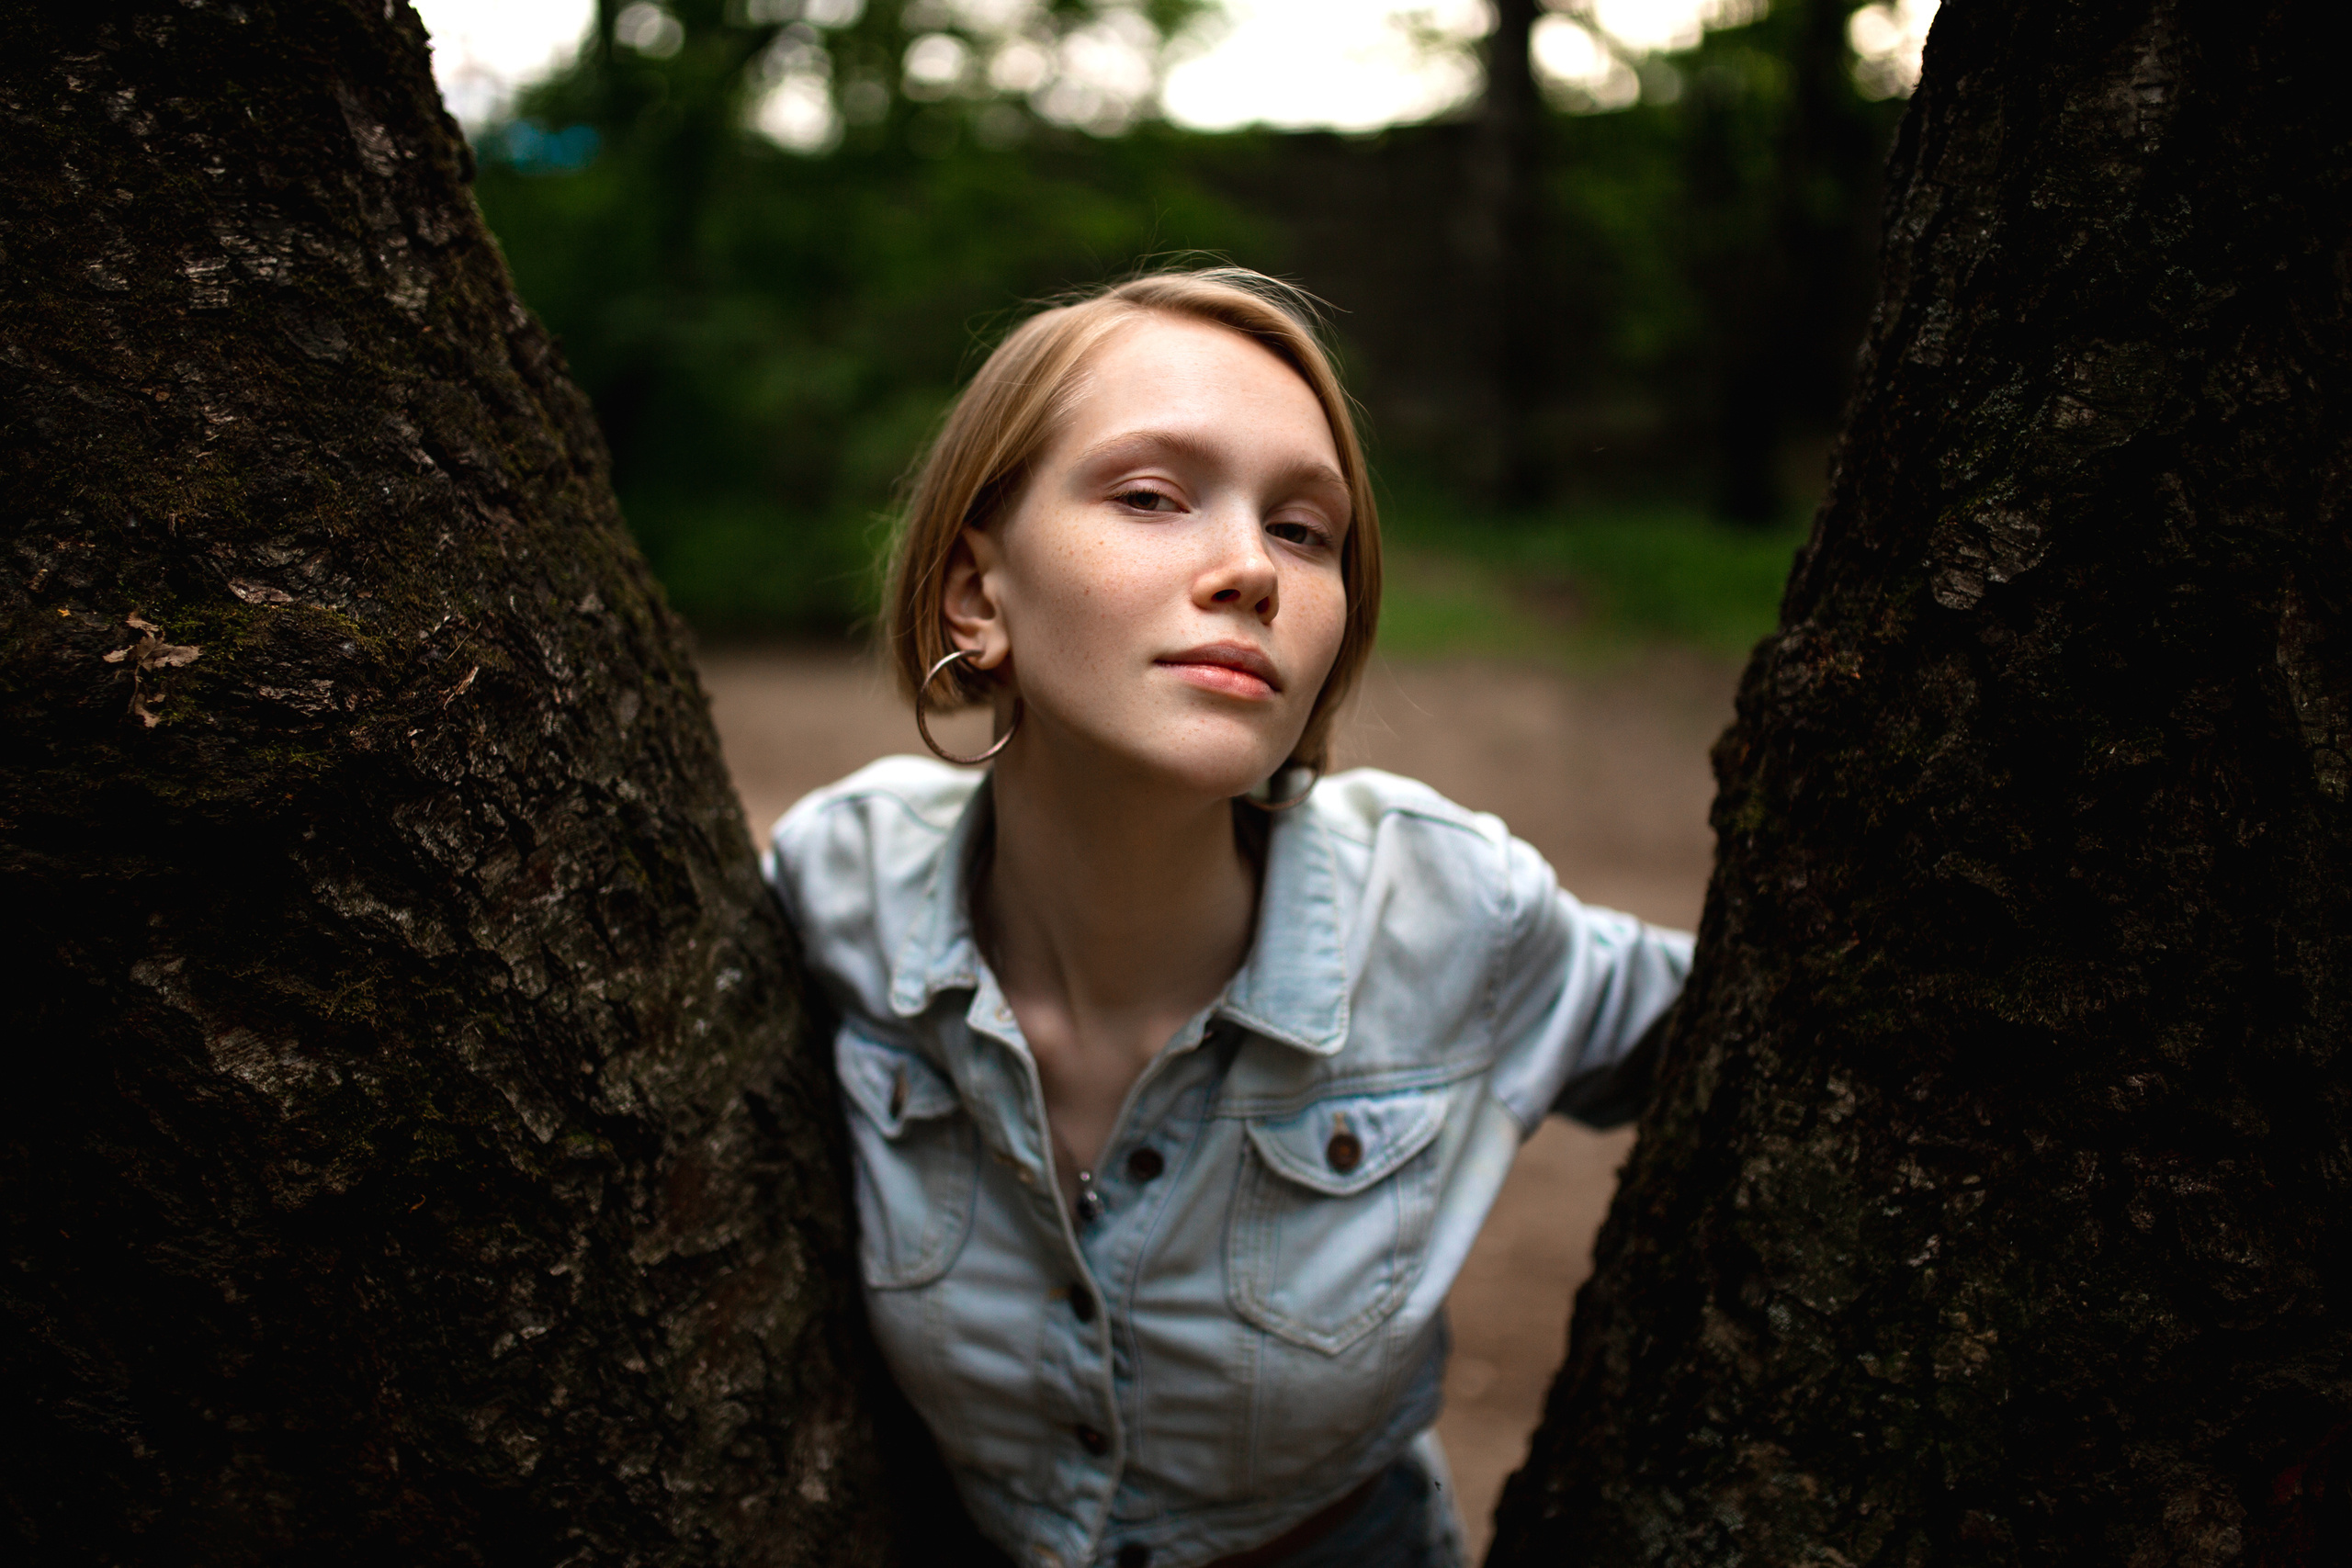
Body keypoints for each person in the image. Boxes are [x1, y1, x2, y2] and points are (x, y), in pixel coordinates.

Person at [763, 267, 1690, 1568]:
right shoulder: (837, 885)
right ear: (978, 596)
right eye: (1152, 498)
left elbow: (1771, 1026)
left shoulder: (1444, 911)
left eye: (1305, 531)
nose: (1253, 568)